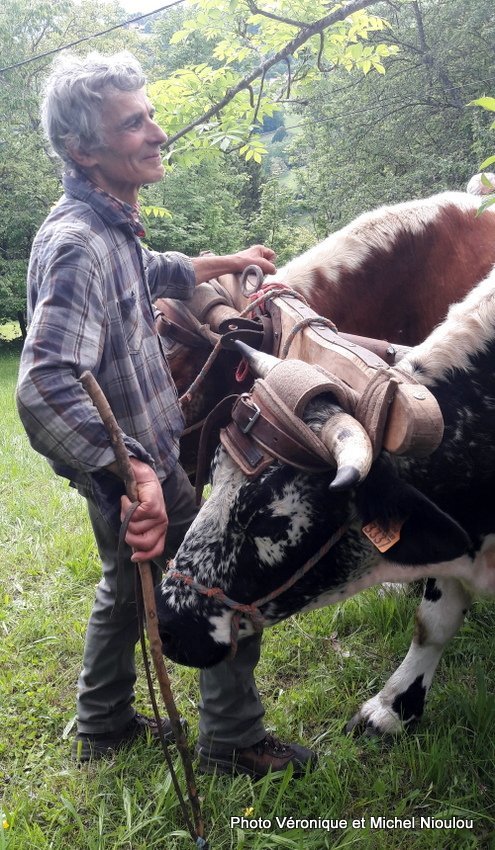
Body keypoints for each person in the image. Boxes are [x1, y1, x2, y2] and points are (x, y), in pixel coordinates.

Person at [16, 51, 316, 778]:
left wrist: (225, 262)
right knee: (223, 578)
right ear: (84, 149)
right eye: (133, 123)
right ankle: (232, 740)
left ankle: (104, 724)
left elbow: (152, 272)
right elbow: (44, 384)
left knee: (127, 586)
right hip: (133, 469)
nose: (156, 132)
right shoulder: (78, 245)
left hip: (122, 469)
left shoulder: (107, 228)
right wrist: (140, 474)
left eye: (151, 114)